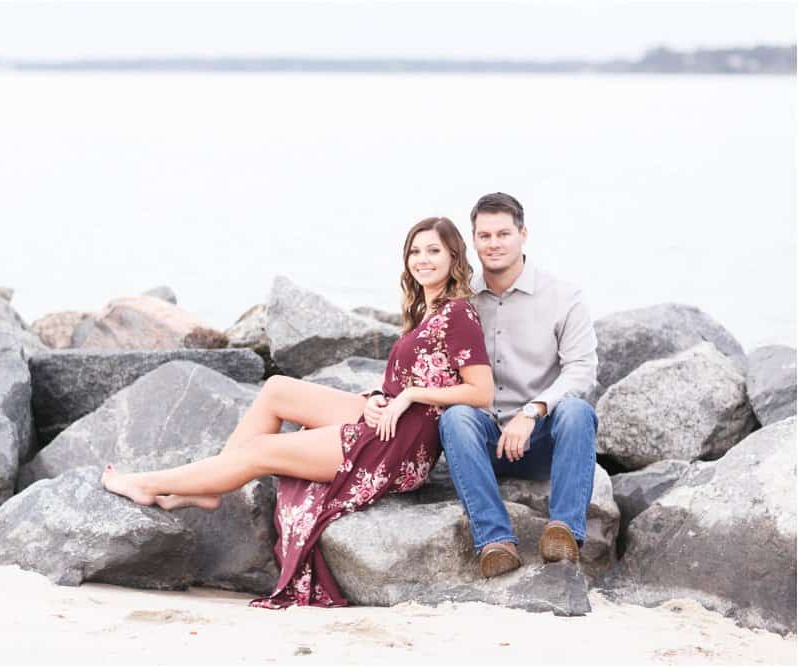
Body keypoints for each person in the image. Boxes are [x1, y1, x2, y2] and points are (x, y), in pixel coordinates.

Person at [101, 216, 493, 608]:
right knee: (276, 390)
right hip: (386, 418)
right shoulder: (424, 308)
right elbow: (411, 374)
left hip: (397, 447)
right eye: (415, 251)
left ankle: (152, 484)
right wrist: (379, 394)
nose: (422, 260)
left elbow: (481, 391)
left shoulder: (458, 313)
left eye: (433, 251)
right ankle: (208, 490)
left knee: (263, 450)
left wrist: (410, 396)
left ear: (454, 255)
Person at [438, 192, 598, 579]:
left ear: (523, 234)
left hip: (540, 437)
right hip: (483, 438)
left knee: (578, 411)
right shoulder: (460, 298)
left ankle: (563, 532)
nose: (493, 244)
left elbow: (581, 370)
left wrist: (534, 410)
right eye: (484, 235)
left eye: (503, 234)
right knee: (455, 418)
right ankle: (496, 543)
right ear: (472, 241)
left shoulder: (563, 296)